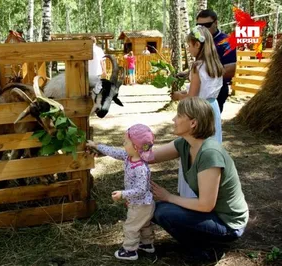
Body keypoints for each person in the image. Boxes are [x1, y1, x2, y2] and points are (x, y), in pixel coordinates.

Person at [150, 97, 249, 261]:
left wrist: (168, 197)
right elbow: (149, 157)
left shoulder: (210, 154)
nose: (173, 119)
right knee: (155, 208)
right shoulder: (185, 143)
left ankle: (206, 252)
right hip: (213, 214)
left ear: (193, 123)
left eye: (179, 115)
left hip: (229, 224)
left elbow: (205, 205)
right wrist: (105, 150)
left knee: (163, 211)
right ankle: (201, 240)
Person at [86, 124, 156, 261]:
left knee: (131, 227)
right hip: (142, 204)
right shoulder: (128, 157)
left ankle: (130, 251)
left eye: (126, 141)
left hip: (141, 205)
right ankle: (147, 245)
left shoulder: (140, 167)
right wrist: (97, 145)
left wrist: (123, 194)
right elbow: (113, 152)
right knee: (144, 225)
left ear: (136, 147)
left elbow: (141, 190)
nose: (123, 143)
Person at [171, 25, 223, 198]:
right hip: (212, 109)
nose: (189, 49)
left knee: (194, 150)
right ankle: (209, 189)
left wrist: (178, 96)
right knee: (210, 151)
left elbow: (192, 97)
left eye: (190, 45)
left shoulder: (197, 66)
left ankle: (192, 194)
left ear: (198, 45)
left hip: (198, 111)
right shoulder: (215, 64)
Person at [196, 9, 237, 113]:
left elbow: (231, 69)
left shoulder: (227, 41)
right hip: (200, 89)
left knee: (211, 126)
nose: (203, 29)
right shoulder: (199, 40)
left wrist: (204, 76)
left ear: (216, 23)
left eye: (207, 25)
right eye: (200, 26)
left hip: (216, 91)